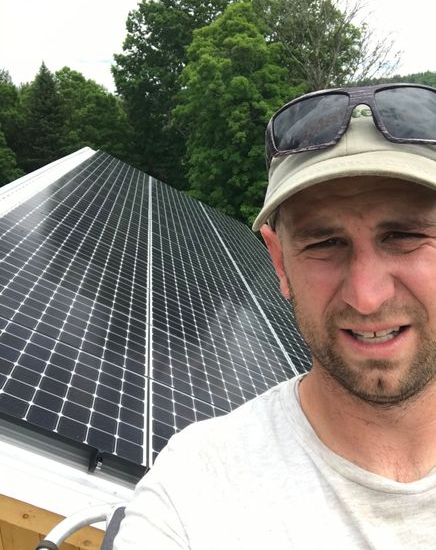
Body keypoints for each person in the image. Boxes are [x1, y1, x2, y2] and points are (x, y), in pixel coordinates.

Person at [114, 84, 436, 549]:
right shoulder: (193, 491)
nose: (366, 297)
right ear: (280, 262)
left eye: (403, 235)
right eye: (324, 243)